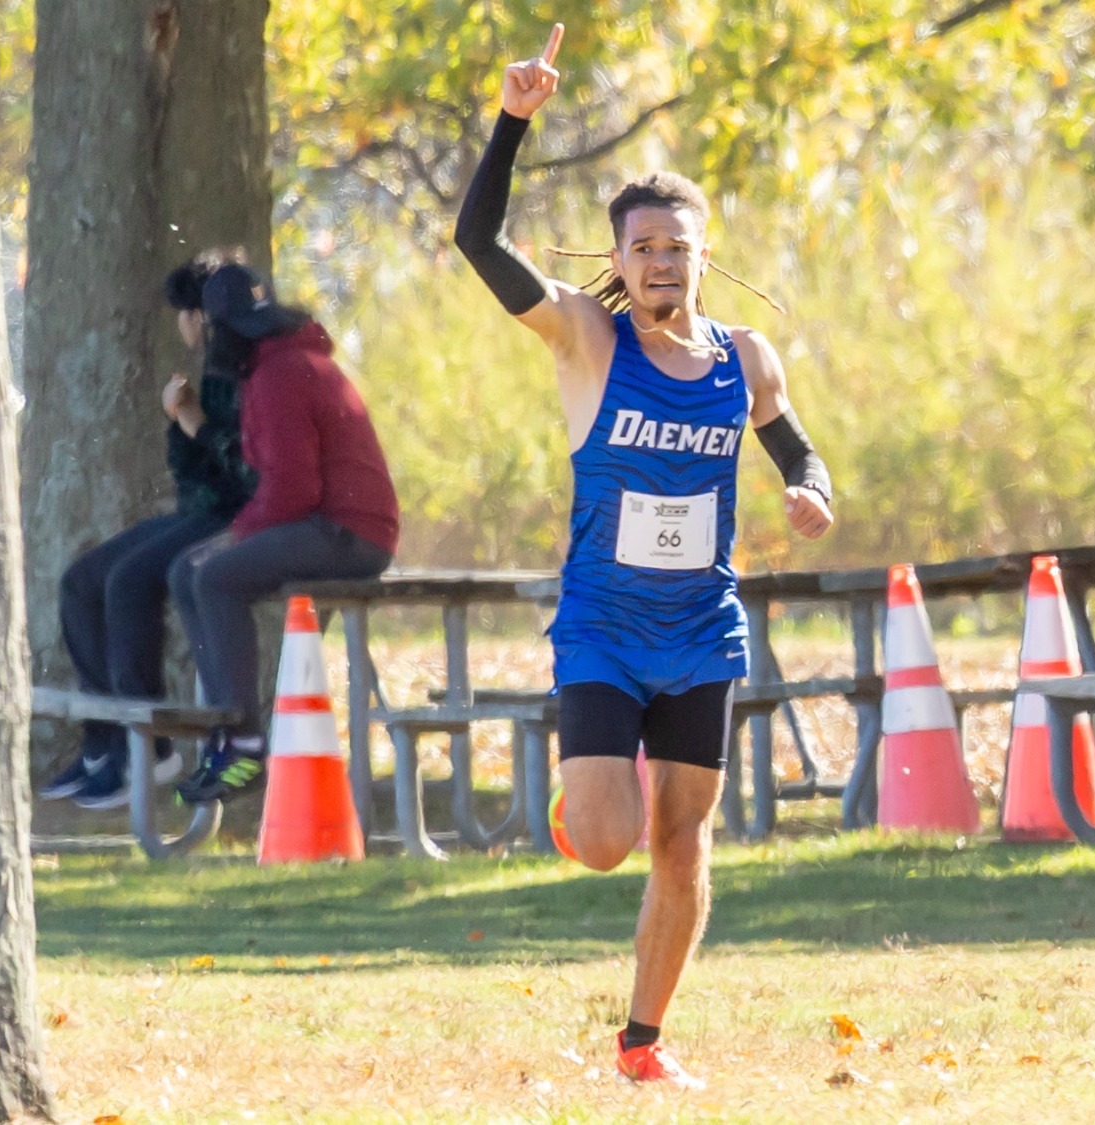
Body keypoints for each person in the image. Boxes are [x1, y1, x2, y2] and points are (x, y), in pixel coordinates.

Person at [453, 25, 834, 1089]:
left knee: (683, 843)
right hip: (603, 631)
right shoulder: (584, 340)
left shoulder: (744, 358)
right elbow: (477, 244)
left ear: (703, 255)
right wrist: (512, 121)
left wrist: (809, 489)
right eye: (643, 247)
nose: (662, 261)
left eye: (678, 245)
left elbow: (791, 441)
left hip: (700, 629)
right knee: (611, 841)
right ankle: (581, 776)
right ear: (616, 261)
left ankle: (641, 1042)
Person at [169, 262, 399, 803]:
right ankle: (224, 732)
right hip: (331, 523)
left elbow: (292, 489)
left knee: (215, 578)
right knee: (187, 571)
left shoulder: (280, 375)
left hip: (348, 531)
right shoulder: (279, 366)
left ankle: (247, 742)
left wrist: (238, 536)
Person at [40, 253, 255, 809]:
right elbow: (191, 475)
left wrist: (191, 422)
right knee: (83, 580)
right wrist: (180, 423)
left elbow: (246, 474)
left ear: (199, 317)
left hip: (235, 519)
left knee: (130, 581)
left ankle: (151, 747)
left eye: (185, 315)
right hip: (196, 512)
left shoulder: (249, 369)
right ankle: (104, 741)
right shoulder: (210, 369)